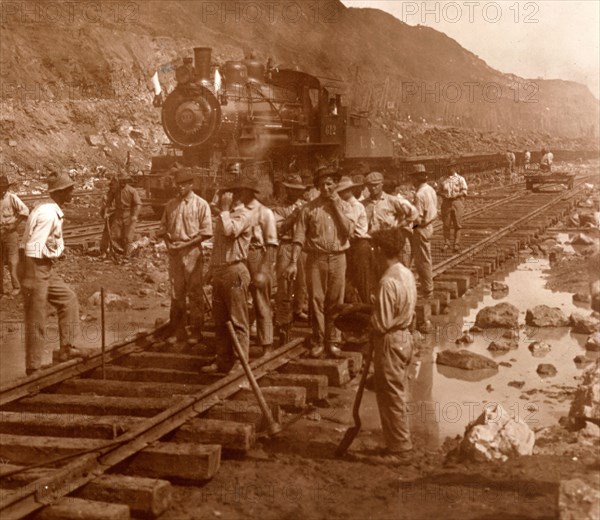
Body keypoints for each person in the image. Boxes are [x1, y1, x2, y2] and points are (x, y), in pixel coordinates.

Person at [19, 171, 86, 376]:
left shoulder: (48, 208)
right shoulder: (49, 213)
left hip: (44, 265)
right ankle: (34, 367)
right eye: (70, 189)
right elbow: (33, 245)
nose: (73, 192)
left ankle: (68, 347)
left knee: (68, 298)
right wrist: (31, 277)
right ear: (61, 192)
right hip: (34, 265)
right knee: (36, 316)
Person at [286, 166, 354, 358]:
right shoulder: (308, 209)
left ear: (335, 185)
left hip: (339, 257)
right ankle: (318, 341)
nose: (326, 188)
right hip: (316, 259)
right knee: (316, 301)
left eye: (330, 184)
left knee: (335, 301)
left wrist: (335, 206)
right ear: (317, 187)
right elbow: (298, 236)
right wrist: (292, 262)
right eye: (322, 185)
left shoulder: (346, 206)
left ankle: (333, 341)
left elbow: (349, 231)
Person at [370, 228, 417, 462]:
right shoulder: (406, 273)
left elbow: (381, 323)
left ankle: (400, 448)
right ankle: (397, 443)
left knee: (391, 396)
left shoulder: (387, 281)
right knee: (398, 392)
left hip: (390, 340)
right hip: (405, 336)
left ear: (380, 250)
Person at [203, 180, 256, 373]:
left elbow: (230, 231)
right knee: (220, 320)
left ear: (237, 195)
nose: (223, 196)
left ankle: (241, 364)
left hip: (235, 271)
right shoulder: (225, 216)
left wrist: (224, 210)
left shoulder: (244, 215)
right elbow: (219, 245)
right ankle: (223, 360)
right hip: (220, 271)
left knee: (238, 320)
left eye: (227, 193)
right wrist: (210, 269)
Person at [159, 167, 213, 342]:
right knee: (176, 293)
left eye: (183, 184)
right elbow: (163, 229)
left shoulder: (201, 204)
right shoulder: (171, 204)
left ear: (191, 184)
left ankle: (196, 330)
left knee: (195, 293)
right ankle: (178, 330)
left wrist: (185, 244)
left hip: (192, 253)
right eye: (178, 185)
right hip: (174, 253)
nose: (180, 187)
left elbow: (205, 233)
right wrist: (169, 245)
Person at [274, 175, 309, 343]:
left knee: (302, 283)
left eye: (297, 190)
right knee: (285, 285)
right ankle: (283, 321)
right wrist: (295, 214)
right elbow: (280, 229)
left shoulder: (306, 205)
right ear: (287, 190)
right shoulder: (279, 208)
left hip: (303, 247)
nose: (294, 193)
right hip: (287, 246)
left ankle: (298, 310)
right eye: (291, 189)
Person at [246, 179, 278, 355]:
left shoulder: (264, 212)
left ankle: (267, 344)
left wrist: (264, 269)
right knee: (241, 298)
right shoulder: (237, 211)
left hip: (257, 256)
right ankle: (242, 344)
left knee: (261, 301)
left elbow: (272, 243)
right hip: (240, 258)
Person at [362, 171, 418, 265]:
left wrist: (400, 225)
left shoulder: (392, 200)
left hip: (391, 243)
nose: (373, 188)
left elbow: (414, 212)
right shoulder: (363, 204)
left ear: (382, 184)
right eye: (370, 185)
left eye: (376, 185)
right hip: (373, 243)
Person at [336, 176, 371, 303]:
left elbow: (348, 227)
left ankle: (366, 307)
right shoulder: (346, 206)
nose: (339, 194)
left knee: (361, 279)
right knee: (350, 278)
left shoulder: (355, 206)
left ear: (348, 191)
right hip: (352, 245)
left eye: (341, 191)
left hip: (359, 245)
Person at [410, 164, 438, 299]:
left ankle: (427, 289)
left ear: (416, 179)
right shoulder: (431, 190)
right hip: (430, 226)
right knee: (425, 257)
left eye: (413, 178)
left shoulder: (419, 194)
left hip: (421, 228)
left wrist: (411, 227)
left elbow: (418, 218)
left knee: (422, 260)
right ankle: (427, 287)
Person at [1, 175, 29, 296]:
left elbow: (25, 211)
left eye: (4, 188)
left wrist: (15, 224)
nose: (2, 190)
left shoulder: (12, 197)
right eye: (0, 188)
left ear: (7, 188)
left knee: (13, 261)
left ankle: (16, 287)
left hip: (10, 233)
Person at [104, 172, 141, 256]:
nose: (123, 182)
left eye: (124, 180)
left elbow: (138, 204)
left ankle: (128, 254)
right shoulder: (115, 190)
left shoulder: (132, 191)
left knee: (128, 237)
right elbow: (108, 202)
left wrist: (135, 215)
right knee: (115, 234)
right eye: (121, 181)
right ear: (119, 181)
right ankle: (117, 253)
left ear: (127, 181)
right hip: (118, 214)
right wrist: (106, 212)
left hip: (129, 215)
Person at [440, 161, 468, 252]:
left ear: (454, 168)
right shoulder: (442, 179)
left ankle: (456, 244)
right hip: (446, 203)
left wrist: (458, 194)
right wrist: (442, 194)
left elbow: (465, 191)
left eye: (451, 167)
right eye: (448, 167)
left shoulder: (460, 179)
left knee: (457, 225)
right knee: (446, 225)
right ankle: (446, 244)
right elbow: (438, 191)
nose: (449, 169)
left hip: (457, 202)